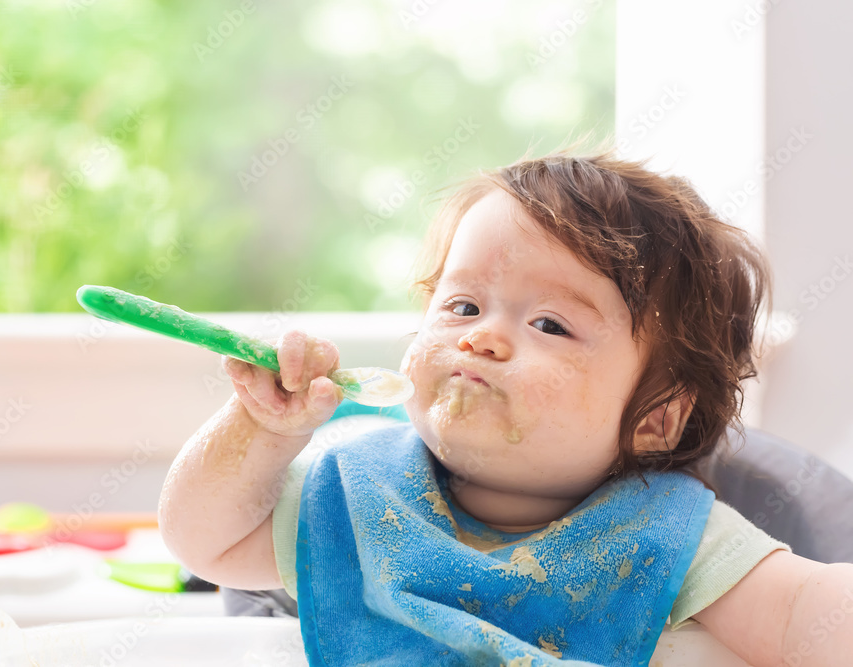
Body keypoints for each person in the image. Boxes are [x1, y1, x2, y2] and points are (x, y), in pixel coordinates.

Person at [158, 150, 853, 666]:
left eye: (549, 324)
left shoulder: (667, 535)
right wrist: (259, 427)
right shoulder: (362, 493)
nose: (481, 336)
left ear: (657, 419)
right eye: (461, 305)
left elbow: (804, 616)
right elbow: (205, 539)